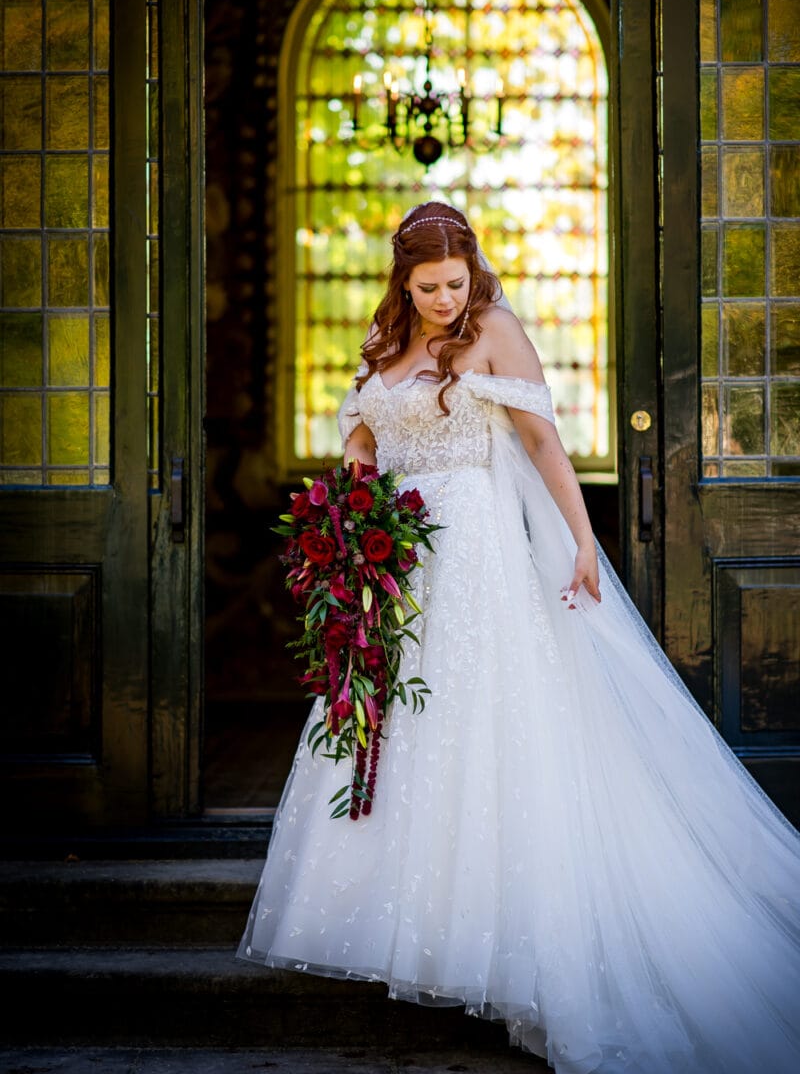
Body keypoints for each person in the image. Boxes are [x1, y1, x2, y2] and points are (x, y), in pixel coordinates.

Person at [238, 202, 800, 1073]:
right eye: (427, 287)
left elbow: (542, 443)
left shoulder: (496, 330)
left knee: (486, 723)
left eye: (455, 284)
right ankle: (423, 939)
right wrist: (345, 523)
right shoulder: (384, 342)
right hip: (398, 565)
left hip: (478, 561)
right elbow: (358, 441)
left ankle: (515, 954)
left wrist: (583, 542)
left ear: (473, 273)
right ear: (403, 280)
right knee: (404, 726)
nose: (443, 300)